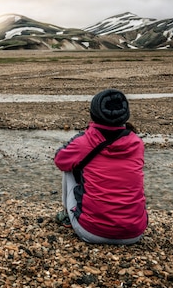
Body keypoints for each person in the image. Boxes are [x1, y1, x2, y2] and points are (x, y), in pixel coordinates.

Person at [53, 89, 147, 244]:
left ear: (93, 113)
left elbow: (60, 160)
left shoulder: (85, 142)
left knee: (69, 169)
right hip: (134, 233)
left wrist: (83, 137)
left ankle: (67, 216)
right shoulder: (136, 143)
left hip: (92, 231)